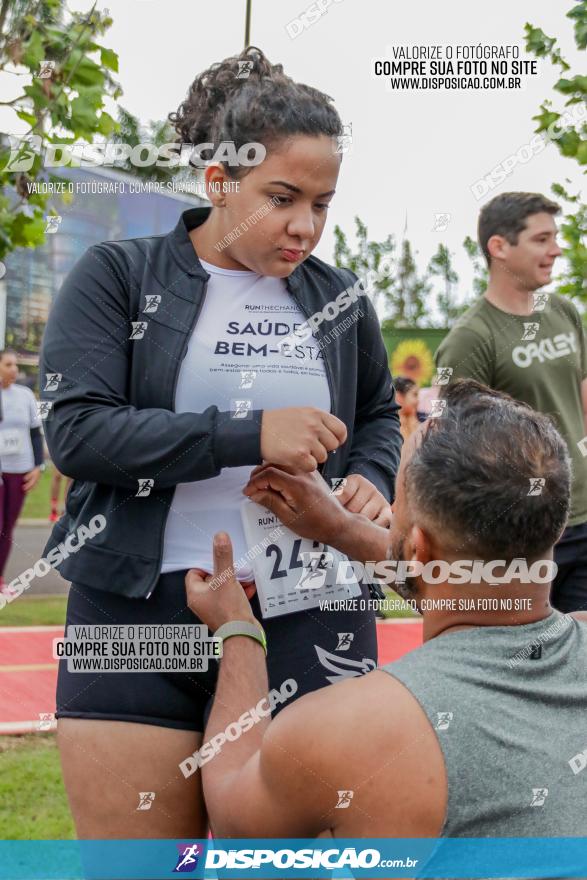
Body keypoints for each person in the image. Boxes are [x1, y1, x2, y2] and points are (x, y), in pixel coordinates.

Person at [39, 46, 401, 839]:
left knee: (289, 862)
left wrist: (373, 473)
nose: (303, 225)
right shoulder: (117, 275)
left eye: (322, 203)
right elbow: (77, 430)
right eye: (281, 197)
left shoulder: (339, 297)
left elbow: (379, 412)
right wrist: (248, 432)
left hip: (311, 614)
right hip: (136, 616)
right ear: (217, 183)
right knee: (137, 868)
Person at [186, 379, 587, 850]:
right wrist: (341, 528)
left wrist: (238, 632)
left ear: (416, 547)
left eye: (395, 503)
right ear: (555, 530)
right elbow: (476, 588)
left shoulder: (353, 726)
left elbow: (234, 817)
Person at [434, 192, 587, 614]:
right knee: (533, 661)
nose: (556, 249)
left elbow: (582, 398)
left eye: (555, 238)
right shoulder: (469, 340)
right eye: (541, 240)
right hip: (524, 534)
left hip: (584, 517)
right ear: (499, 247)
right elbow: (458, 453)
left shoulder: (564, 312)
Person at [0, 350, 45, 597]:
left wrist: (38, 466)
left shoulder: (25, 395)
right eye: (8, 364)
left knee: (8, 528)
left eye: (16, 365)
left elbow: (35, 433)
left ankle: (0, 578)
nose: (14, 369)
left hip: (20, 470)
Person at [394, 376, 420, 440]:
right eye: (415, 394)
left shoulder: (413, 421)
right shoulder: (391, 427)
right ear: (399, 397)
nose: (418, 401)